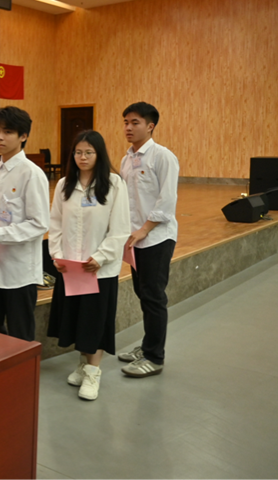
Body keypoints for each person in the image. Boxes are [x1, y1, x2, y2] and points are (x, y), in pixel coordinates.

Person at [48, 131, 130, 401]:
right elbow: (55, 224)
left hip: (99, 269)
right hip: (71, 268)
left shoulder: (114, 184)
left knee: (95, 320)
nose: (82, 157)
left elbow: (120, 228)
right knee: (77, 319)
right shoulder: (64, 185)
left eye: (89, 152)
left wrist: (101, 257)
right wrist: (57, 255)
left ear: (99, 154)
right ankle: (83, 364)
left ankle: (94, 372)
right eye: (78, 152)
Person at [117, 102, 179, 378]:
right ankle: (147, 345)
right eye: (126, 122)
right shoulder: (127, 159)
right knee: (142, 293)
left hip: (156, 238)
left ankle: (154, 357)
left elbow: (167, 200)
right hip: (135, 239)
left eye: (135, 122)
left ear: (150, 126)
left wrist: (145, 229)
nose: (128, 128)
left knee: (153, 297)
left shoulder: (162, 156)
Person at [0, 107, 49, 342]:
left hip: (19, 273)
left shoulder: (31, 174)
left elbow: (39, 224)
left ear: (23, 136)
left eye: (7, 132)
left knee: (21, 336)